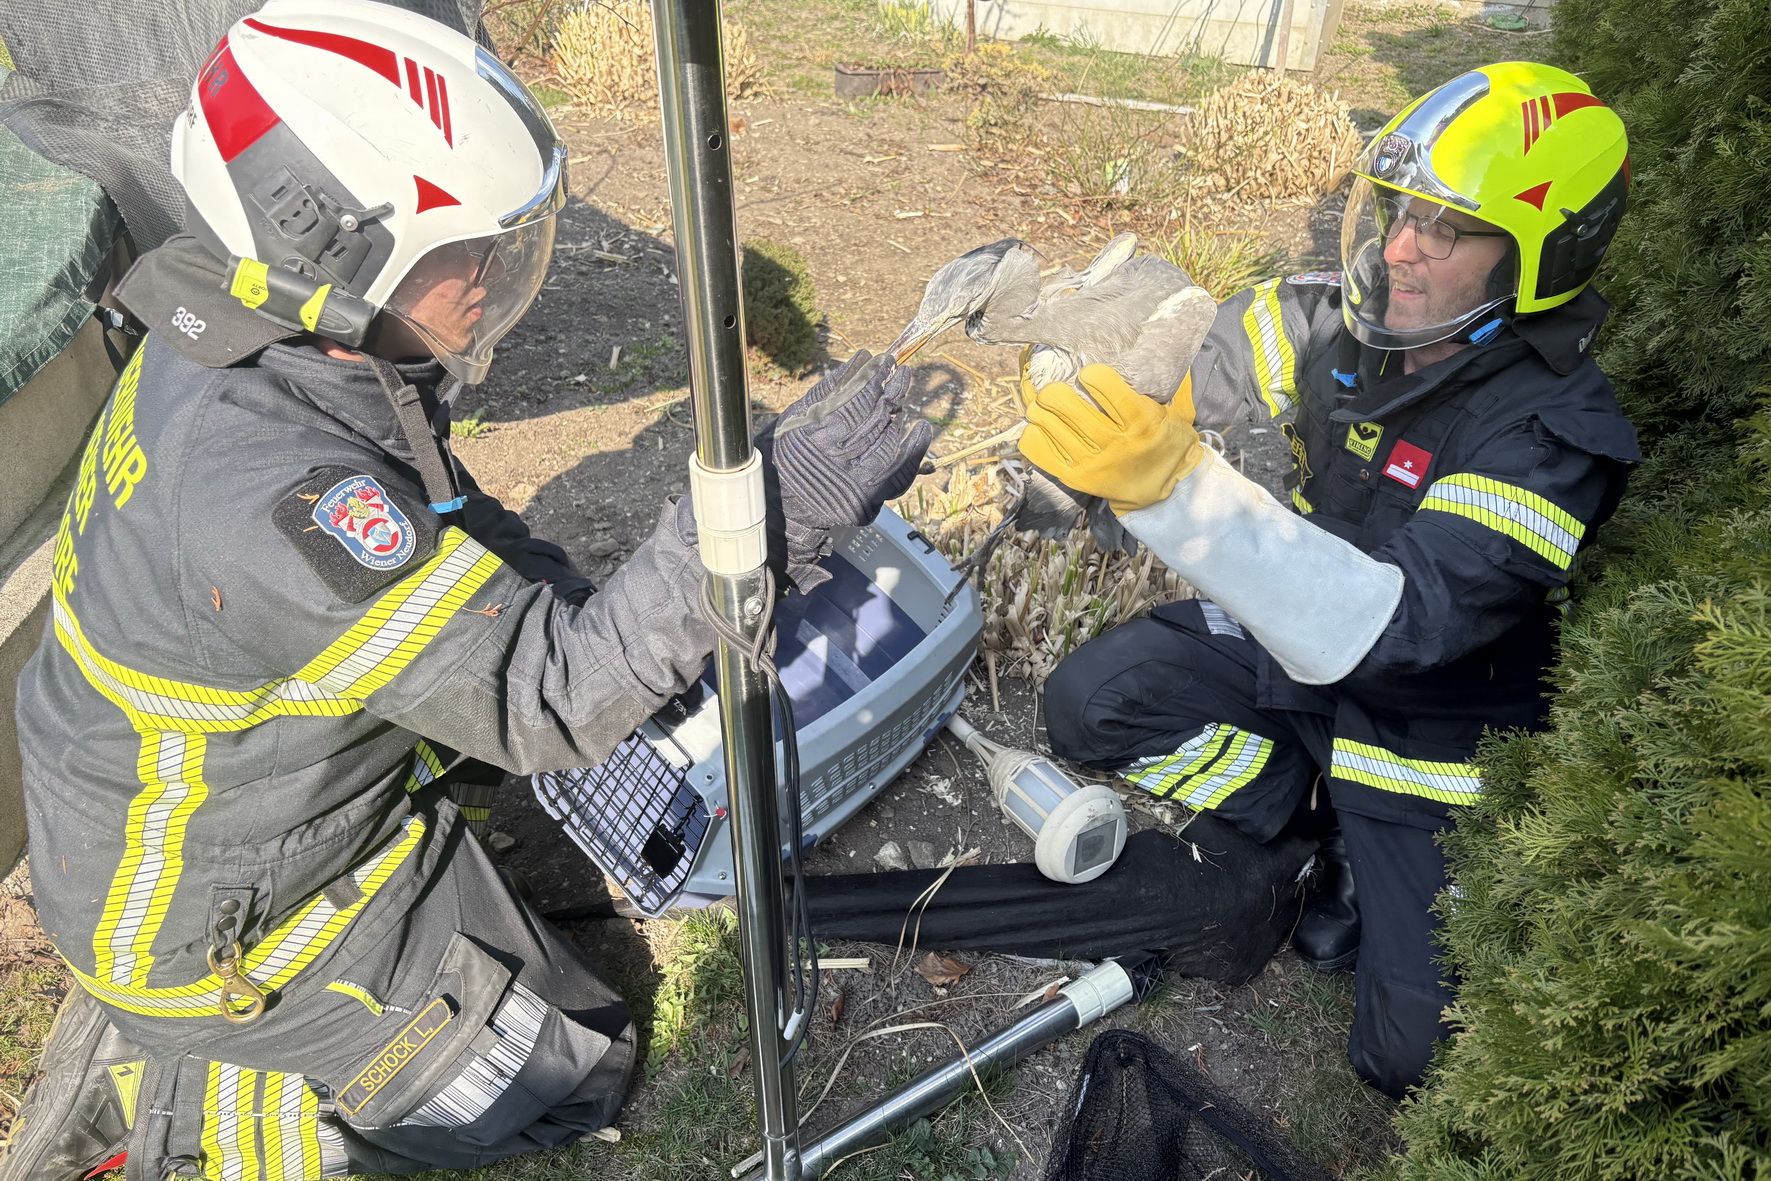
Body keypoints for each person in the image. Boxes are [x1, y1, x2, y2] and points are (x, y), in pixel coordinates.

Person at [0, 2, 932, 1178]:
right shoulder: (270, 500)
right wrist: (749, 527)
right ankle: (198, 1116)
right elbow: (543, 703)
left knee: (539, 938)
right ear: (332, 242)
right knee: (565, 1074)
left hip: (223, 821)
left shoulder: (258, 339)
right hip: (211, 917)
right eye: (464, 250)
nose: (491, 275)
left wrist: (619, 610)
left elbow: (452, 521)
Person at [1020, 62, 1638, 1098]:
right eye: (1396, 209)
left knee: (1409, 1055)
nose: (1399, 247)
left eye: (1445, 228)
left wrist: (1173, 492)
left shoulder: (1549, 438)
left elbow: (1388, 625)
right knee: (1089, 706)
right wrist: (1106, 386)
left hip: (1424, 726)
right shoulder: (1350, 321)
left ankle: (1361, 831)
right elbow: (1211, 357)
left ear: (1540, 255)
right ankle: (1298, 814)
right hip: (1288, 651)